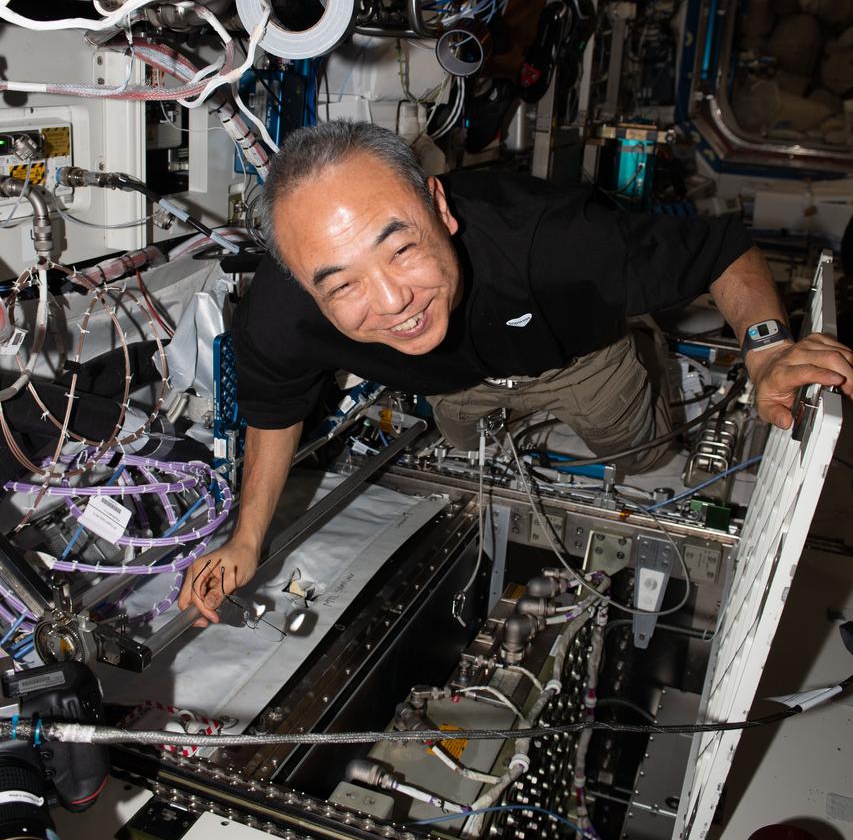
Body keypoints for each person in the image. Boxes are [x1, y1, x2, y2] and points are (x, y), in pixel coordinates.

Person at [179, 120, 853, 624]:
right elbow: (275, 408)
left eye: (402, 249)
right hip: (453, 380)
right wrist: (244, 540)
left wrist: (766, 351)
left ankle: (641, 341)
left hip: (576, 354)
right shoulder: (279, 311)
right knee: (467, 451)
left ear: (439, 209)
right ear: (301, 283)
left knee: (642, 457)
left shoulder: (551, 240)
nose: (392, 303)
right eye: (342, 286)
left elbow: (723, 250)